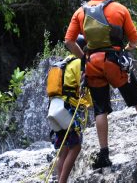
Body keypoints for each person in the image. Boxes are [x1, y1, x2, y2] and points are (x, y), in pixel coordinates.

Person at [64, 0, 137, 169]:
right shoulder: (120, 9)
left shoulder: (80, 12)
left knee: (100, 109)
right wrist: (126, 49)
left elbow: (69, 41)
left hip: (93, 63)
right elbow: (135, 39)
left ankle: (104, 154)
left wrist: (83, 57)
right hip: (116, 63)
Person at [49, 35, 92, 183]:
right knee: (76, 146)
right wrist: (90, 103)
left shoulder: (63, 63)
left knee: (63, 149)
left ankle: (60, 180)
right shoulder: (80, 63)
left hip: (54, 108)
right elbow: (84, 89)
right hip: (68, 110)